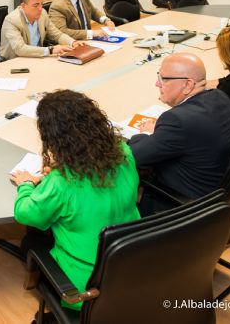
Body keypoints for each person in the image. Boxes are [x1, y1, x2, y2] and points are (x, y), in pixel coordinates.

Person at [11, 90, 140, 311]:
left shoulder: (62, 182)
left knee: (31, 241)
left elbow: (25, 213)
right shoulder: (123, 152)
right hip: (131, 262)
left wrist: (26, 185)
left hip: (86, 288)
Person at [129, 53, 230, 215]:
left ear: (188, 85)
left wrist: (144, 134)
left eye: (163, 79)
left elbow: (135, 156)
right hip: (218, 191)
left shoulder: (177, 120)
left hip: (186, 206)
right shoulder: (219, 96)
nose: (157, 84)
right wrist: (161, 134)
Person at [0, 0, 83, 60]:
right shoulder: (11, 20)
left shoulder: (42, 13)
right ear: (23, 6)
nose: (40, 9)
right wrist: (51, 50)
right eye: (35, 5)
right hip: (15, 63)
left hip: (37, 58)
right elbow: (20, 49)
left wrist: (72, 42)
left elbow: (56, 34)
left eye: (41, 4)